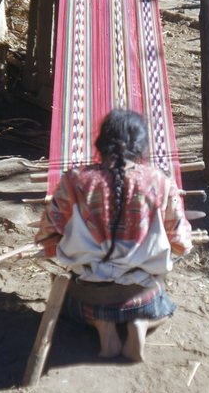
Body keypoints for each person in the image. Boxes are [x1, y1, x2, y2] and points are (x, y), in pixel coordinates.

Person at [35, 109, 192, 361]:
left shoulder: (75, 180)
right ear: (141, 145)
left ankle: (102, 326)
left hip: (88, 297)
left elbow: (47, 234)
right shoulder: (159, 182)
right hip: (142, 296)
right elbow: (181, 243)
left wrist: (67, 246)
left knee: (70, 303)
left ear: (102, 143)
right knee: (165, 306)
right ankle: (140, 323)